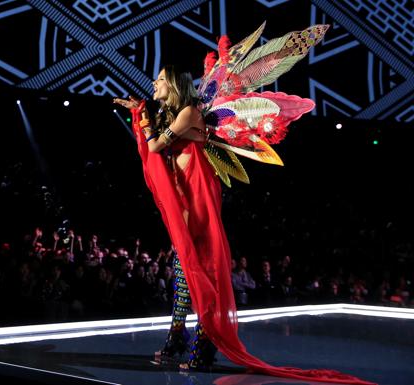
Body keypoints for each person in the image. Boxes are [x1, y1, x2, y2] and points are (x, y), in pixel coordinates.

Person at [114, 22, 374, 385]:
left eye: (159, 80)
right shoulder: (177, 115)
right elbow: (157, 142)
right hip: (185, 203)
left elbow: (156, 146)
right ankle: (178, 339)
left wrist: (143, 118)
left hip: (198, 203)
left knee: (197, 276)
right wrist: (142, 113)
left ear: (172, 84)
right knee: (183, 275)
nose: (154, 84)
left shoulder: (189, 112)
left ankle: (203, 345)